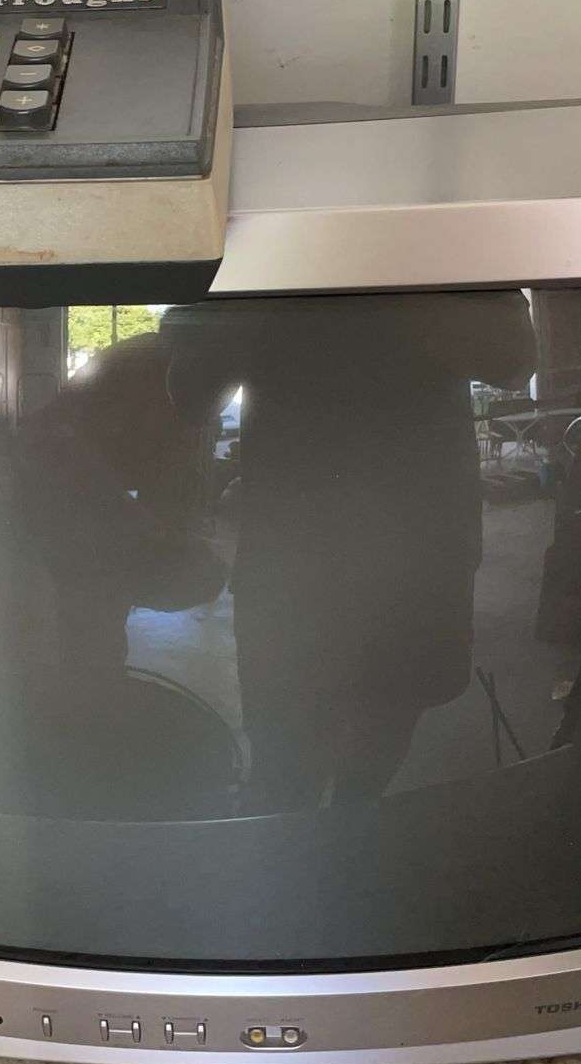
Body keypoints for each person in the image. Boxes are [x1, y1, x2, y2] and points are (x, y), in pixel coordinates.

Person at [163, 293, 536, 806]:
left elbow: (513, 362)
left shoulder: (429, 258)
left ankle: (329, 826)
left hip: (347, 546)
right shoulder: (275, 268)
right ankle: (330, 827)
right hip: (383, 543)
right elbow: (192, 394)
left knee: (347, 721)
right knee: (327, 728)